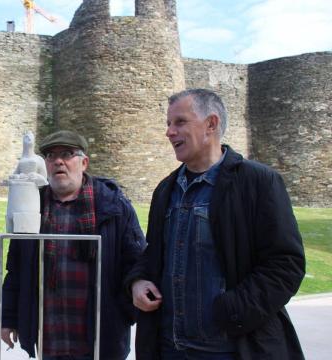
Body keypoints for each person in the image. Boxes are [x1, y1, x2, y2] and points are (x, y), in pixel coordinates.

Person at [126, 88, 306, 359]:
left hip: (228, 349)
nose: (169, 132)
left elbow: (285, 264)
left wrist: (231, 310)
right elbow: (153, 255)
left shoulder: (258, 182)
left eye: (180, 122)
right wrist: (138, 281)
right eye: (168, 124)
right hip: (168, 349)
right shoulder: (165, 189)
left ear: (211, 124)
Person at [1, 130, 146, 360]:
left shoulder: (112, 205)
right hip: (50, 337)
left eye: (67, 154)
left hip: (100, 338)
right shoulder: (32, 206)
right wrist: (8, 318)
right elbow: (17, 269)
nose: (58, 161)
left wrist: (121, 313)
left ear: (84, 162)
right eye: (50, 155)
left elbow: (137, 262)